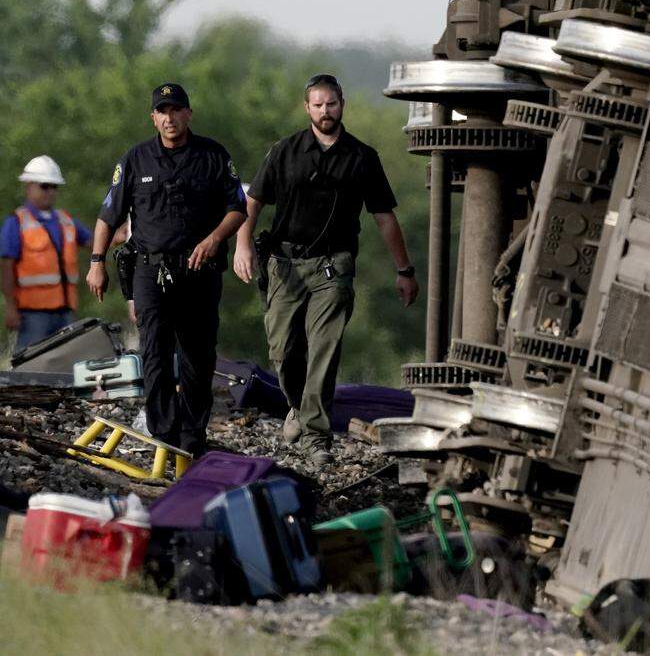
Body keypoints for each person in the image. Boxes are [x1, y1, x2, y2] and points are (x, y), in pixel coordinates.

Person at [233, 73, 419, 464]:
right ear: (307, 108)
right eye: (317, 104)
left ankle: (316, 437)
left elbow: (384, 216)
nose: (325, 111)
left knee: (324, 349)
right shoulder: (285, 151)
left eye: (331, 103)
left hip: (333, 267)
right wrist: (242, 245)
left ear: (342, 105)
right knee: (283, 351)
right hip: (284, 264)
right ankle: (299, 409)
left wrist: (404, 269)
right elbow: (253, 202)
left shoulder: (362, 158)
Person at [87, 83, 247, 457]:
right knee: (154, 352)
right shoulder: (135, 159)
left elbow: (238, 207)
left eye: (176, 110)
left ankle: (192, 437)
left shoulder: (212, 155)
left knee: (197, 356)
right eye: (163, 111)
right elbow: (107, 216)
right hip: (150, 271)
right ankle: (163, 433)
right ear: (153, 117)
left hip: (199, 271)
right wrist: (96, 263)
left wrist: (214, 239)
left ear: (188, 114)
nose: (169, 117)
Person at [0, 156, 97, 349]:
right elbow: (6, 267)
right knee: (31, 368)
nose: (51, 191)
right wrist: (10, 307)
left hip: (66, 311)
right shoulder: (16, 222)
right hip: (33, 315)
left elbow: (96, 243)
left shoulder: (65, 220)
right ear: (29, 186)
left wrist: (125, 232)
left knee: (68, 365)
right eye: (45, 186)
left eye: (54, 186)